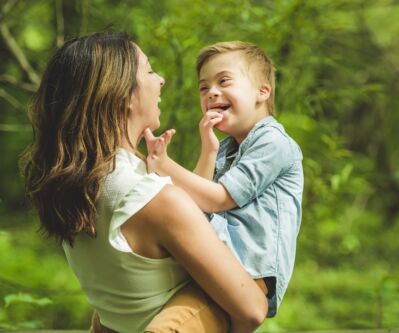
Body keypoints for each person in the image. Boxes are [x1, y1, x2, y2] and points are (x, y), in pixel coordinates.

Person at [20, 32, 267, 333]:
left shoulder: (75, 187)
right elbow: (252, 310)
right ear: (122, 95)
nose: (160, 80)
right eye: (149, 70)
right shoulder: (152, 198)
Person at [145, 41, 304, 317]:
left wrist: (165, 165)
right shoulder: (229, 148)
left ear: (262, 92)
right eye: (204, 87)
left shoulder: (273, 141)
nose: (211, 92)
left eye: (224, 81)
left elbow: (219, 199)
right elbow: (196, 207)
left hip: (249, 274)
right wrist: (209, 150)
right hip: (219, 265)